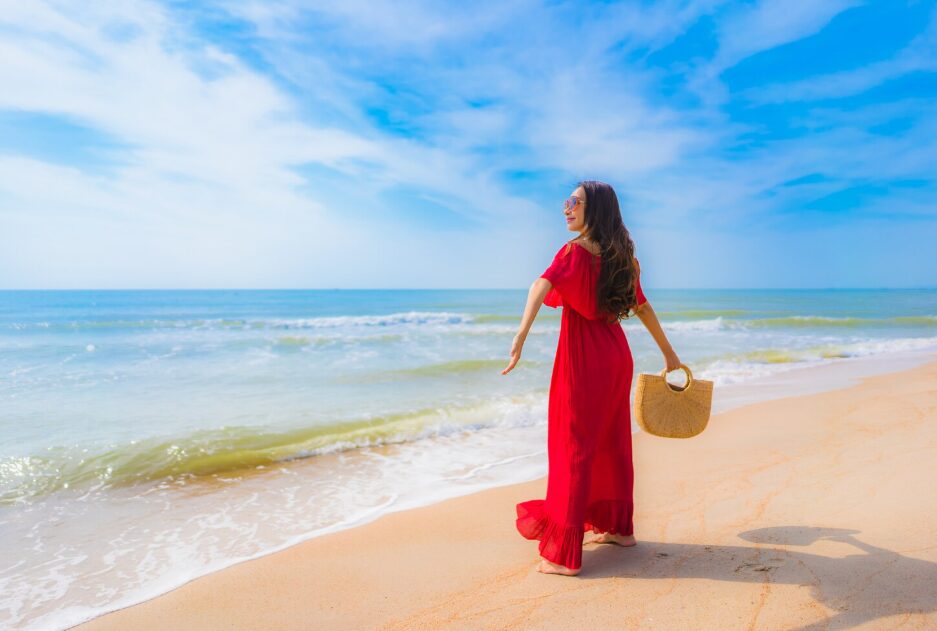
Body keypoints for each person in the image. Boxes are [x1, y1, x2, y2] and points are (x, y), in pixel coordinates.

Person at [502, 180, 681, 576]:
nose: (566, 208)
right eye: (566, 201)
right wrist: (669, 354)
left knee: (573, 445)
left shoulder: (574, 251)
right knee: (612, 441)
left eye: (575, 202)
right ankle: (620, 529)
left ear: (594, 209)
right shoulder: (623, 258)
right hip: (616, 357)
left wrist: (520, 335)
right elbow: (642, 306)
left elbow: (540, 284)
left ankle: (564, 556)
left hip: (583, 360)